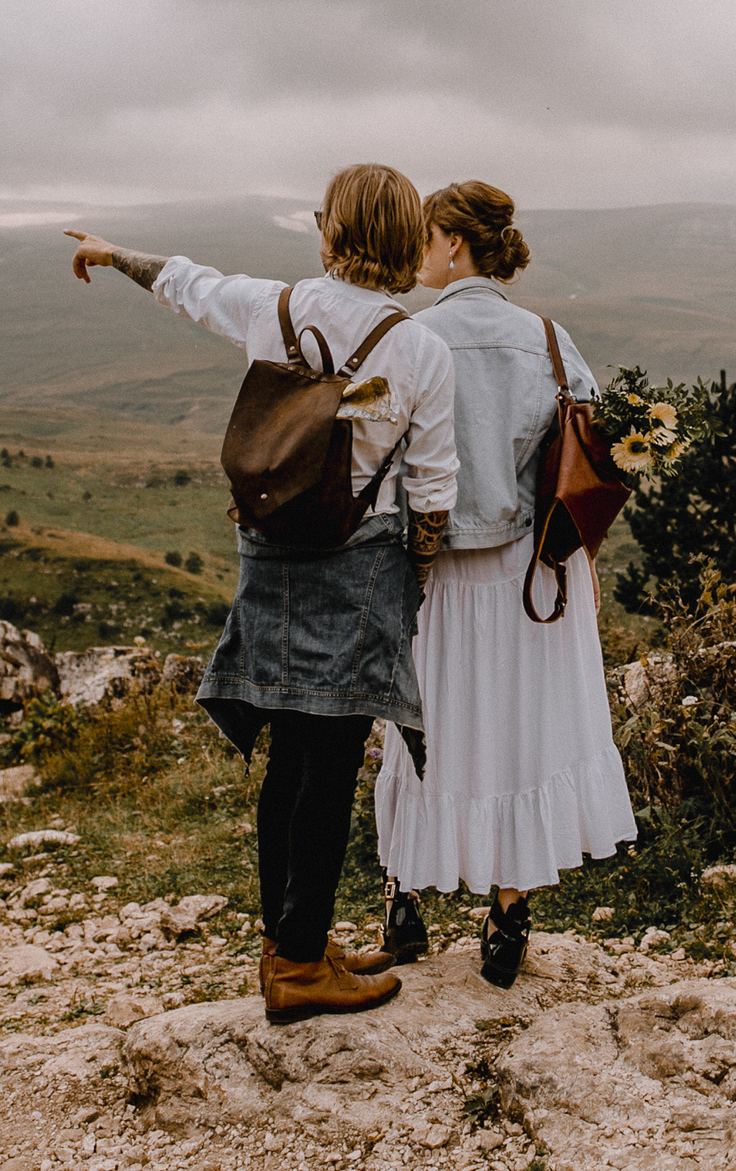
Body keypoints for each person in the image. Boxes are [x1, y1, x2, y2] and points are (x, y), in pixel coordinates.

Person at [64, 163, 456, 1024]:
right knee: (329, 760)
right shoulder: (421, 348)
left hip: (269, 561)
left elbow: (186, 284)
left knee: (288, 756)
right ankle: (302, 962)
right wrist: (413, 584)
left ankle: (291, 944)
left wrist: (110, 251)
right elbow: (432, 491)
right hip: (358, 571)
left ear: (332, 230)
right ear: (403, 239)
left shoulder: (274, 309)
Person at [373, 180, 636, 987]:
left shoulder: (411, 339)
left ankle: (402, 898)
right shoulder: (550, 342)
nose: (418, 253)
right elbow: (592, 459)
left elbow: (380, 463)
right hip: (532, 578)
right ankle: (509, 907)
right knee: (521, 735)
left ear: (455, 243)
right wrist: (581, 559)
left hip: (436, 578)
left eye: (426, 237)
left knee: (422, 735)